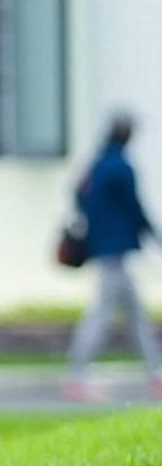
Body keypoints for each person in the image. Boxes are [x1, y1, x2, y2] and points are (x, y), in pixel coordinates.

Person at [64, 112, 162, 402]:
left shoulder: (96, 165)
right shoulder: (120, 168)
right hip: (115, 253)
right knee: (103, 315)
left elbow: (79, 197)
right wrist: (152, 235)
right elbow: (134, 207)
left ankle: (155, 372)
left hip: (106, 249)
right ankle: (76, 376)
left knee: (136, 315)